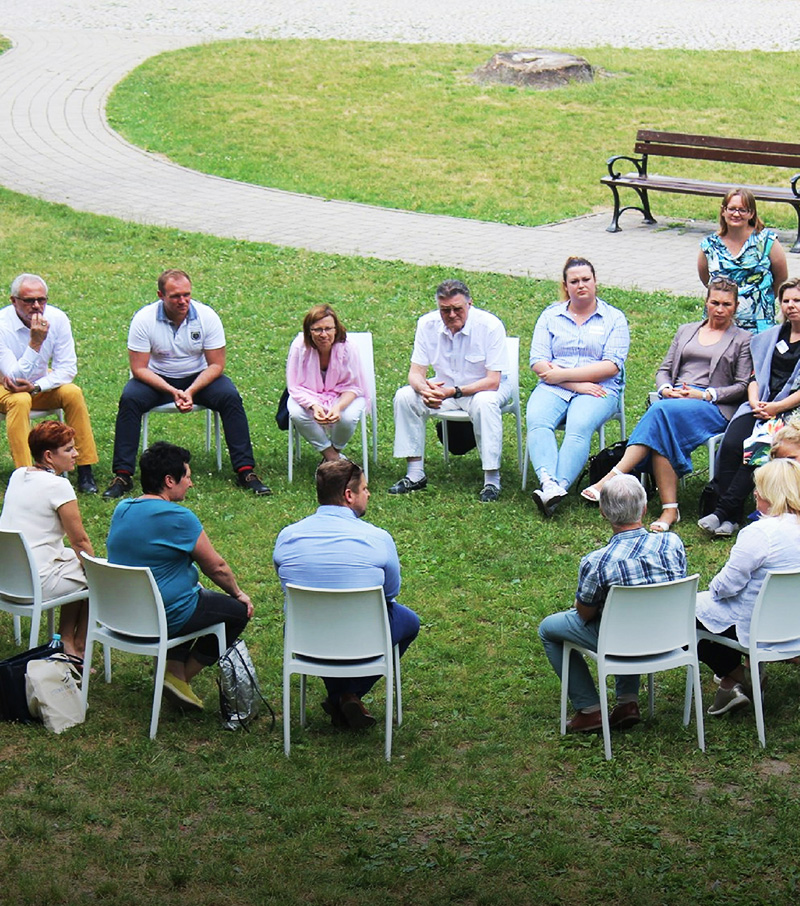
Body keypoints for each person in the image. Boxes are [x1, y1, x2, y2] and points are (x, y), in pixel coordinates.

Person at [582, 276, 752, 532]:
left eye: (726, 304)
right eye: (714, 302)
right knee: (663, 423)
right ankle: (669, 510)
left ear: (735, 307)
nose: (719, 309)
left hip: (712, 406)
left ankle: (612, 477)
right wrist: (665, 388)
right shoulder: (686, 330)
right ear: (705, 302)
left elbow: (741, 386)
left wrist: (705, 395)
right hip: (674, 401)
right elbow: (665, 369)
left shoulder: (743, 339)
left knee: (660, 412)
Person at [274, 459, 420, 729]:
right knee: (409, 621)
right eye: (365, 488)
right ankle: (347, 695)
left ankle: (341, 695)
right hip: (364, 640)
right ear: (349, 495)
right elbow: (390, 593)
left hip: (304, 639)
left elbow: (285, 584)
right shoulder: (378, 539)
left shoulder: (287, 536)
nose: (369, 493)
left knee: (330, 624)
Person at [106, 442, 252, 710]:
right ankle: (179, 677)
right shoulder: (179, 517)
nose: (191, 483)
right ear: (169, 480)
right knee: (237, 612)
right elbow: (216, 567)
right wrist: (239, 594)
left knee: (192, 596)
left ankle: (173, 669)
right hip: (162, 617)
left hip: (121, 614)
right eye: (187, 476)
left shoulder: (123, 508)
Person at [102, 269, 270, 499]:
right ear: (161, 295)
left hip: (199, 377)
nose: (183, 301)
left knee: (230, 396)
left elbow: (217, 365)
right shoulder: (144, 319)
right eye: (175, 296)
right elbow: (139, 368)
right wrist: (172, 391)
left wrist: (190, 391)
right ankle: (123, 475)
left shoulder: (207, 316)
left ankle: (246, 471)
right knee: (130, 399)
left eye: (186, 295)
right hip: (156, 378)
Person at [538, 474, 687, 732]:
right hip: (670, 637)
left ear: (603, 513)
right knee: (625, 619)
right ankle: (627, 703)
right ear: (644, 508)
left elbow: (584, 614)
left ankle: (590, 709)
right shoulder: (672, 543)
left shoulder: (597, 561)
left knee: (549, 629)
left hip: (621, 641)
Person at [389, 279, 510, 502]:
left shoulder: (490, 325)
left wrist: (454, 391)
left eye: (457, 309)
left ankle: (492, 479)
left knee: (485, 403)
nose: (452, 315)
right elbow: (415, 373)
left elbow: (493, 380)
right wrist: (425, 389)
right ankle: (415, 474)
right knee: (404, 396)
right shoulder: (427, 324)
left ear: (470, 304)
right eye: (445, 310)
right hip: (445, 387)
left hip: (483, 389)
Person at [696, 458, 800, 715]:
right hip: (793, 625)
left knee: (684, 611)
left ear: (772, 493)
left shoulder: (761, 533)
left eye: (759, 488)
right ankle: (732, 684)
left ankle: (740, 677)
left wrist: (715, 587)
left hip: (757, 624)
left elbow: (727, 585)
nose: (754, 493)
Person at [527, 256, 629, 517]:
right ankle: (549, 483)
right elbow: (537, 361)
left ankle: (557, 488)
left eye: (586, 279)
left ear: (595, 282)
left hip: (599, 388)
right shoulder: (551, 316)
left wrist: (565, 376)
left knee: (578, 426)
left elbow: (611, 366)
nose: (581, 285)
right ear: (566, 285)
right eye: (574, 281)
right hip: (557, 386)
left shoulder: (614, 318)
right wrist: (575, 384)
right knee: (538, 420)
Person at [698, 278, 800, 538]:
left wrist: (777, 407)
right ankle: (730, 518)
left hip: (791, 411)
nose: (791, 306)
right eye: (786, 300)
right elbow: (754, 378)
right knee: (732, 444)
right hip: (760, 405)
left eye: (797, 300)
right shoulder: (769, 338)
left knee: (759, 448)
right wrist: (755, 402)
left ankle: (724, 512)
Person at [0, 421, 93, 658]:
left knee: (75, 563)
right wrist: (99, 573)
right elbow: (80, 541)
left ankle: (65, 639)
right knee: (95, 578)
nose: (76, 454)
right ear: (49, 456)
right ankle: (74, 647)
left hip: (6, 579)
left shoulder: (18, 474)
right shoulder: (58, 486)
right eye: (69, 449)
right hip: (35, 582)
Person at [0, 273, 99, 492]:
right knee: (19, 400)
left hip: (40, 384)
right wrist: (35, 343)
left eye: (41, 300)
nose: (36, 306)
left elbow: (67, 368)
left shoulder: (58, 318)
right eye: (29, 301)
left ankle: (84, 468)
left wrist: (38, 386)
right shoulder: (1, 325)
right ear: (13, 300)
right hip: (5, 388)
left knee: (72, 392)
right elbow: (14, 377)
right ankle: (26, 474)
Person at [698, 188, 788, 333]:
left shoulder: (767, 241)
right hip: (720, 321)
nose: (736, 214)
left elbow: (781, 278)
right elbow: (706, 279)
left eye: (742, 210)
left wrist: (764, 298)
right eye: (732, 209)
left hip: (759, 322)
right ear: (723, 211)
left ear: (751, 213)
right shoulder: (709, 245)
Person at [286, 304, 368, 463]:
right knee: (296, 413)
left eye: (328, 329)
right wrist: (314, 406)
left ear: (336, 329)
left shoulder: (349, 347)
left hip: (343, 395)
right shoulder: (299, 346)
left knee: (348, 417)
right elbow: (294, 386)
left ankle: (334, 452)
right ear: (309, 331)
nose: (323, 334)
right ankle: (333, 458)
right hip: (308, 394)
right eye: (317, 329)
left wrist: (338, 407)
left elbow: (354, 386)